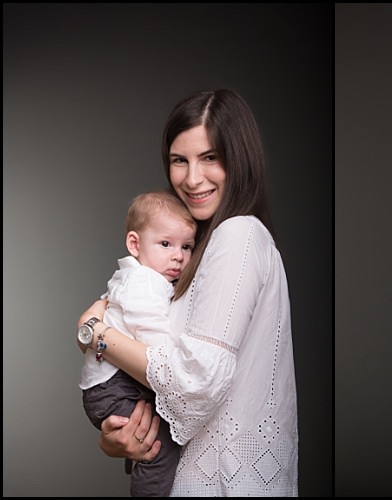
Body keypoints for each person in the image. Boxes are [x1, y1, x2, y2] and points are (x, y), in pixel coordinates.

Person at [75, 88, 298, 496]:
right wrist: (118, 440)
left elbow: (193, 382)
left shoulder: (238, 235)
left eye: (210, 157)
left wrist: (95, 333)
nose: (192, 178)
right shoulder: (198, 248)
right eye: (180, 160)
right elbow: (167, 383)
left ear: (239, 159)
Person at [79, 190, 196, 497]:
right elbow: (152, 333)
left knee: (154, 435)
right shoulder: (146, 282)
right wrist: (178, 357)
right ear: (135, 244)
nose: (178, 256)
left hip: (112, 383)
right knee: (161, 446)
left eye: (187, 246)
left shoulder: (130, 276)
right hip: (114, 387)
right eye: (166, 244)